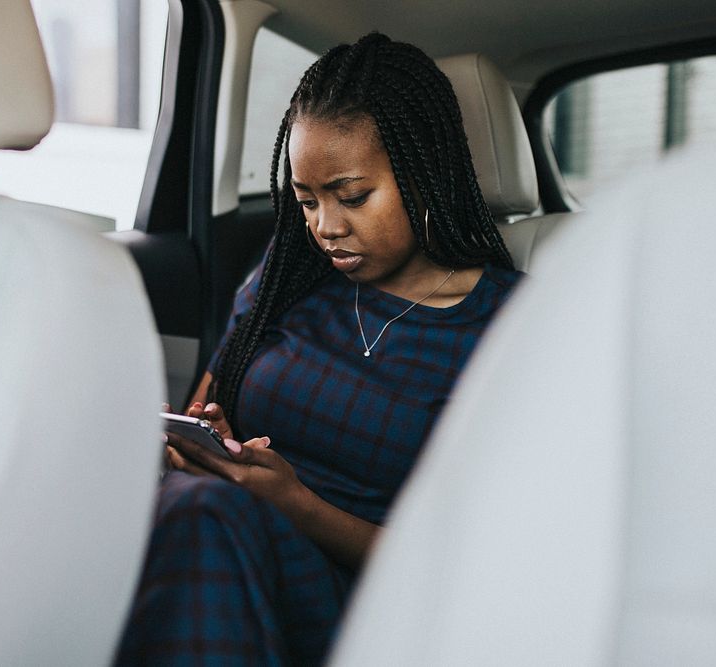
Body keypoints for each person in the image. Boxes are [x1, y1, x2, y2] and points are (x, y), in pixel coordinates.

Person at [115, 32, 522, 666]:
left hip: (371, 599)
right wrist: (212, 442)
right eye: (307, 200)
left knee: (201, 516)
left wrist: (294, 503)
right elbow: (208, 403)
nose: (325, 227)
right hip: (225, 540)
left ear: (425, 171)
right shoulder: (292, 274)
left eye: (353, 197)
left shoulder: (512, 324)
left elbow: (479, 557)